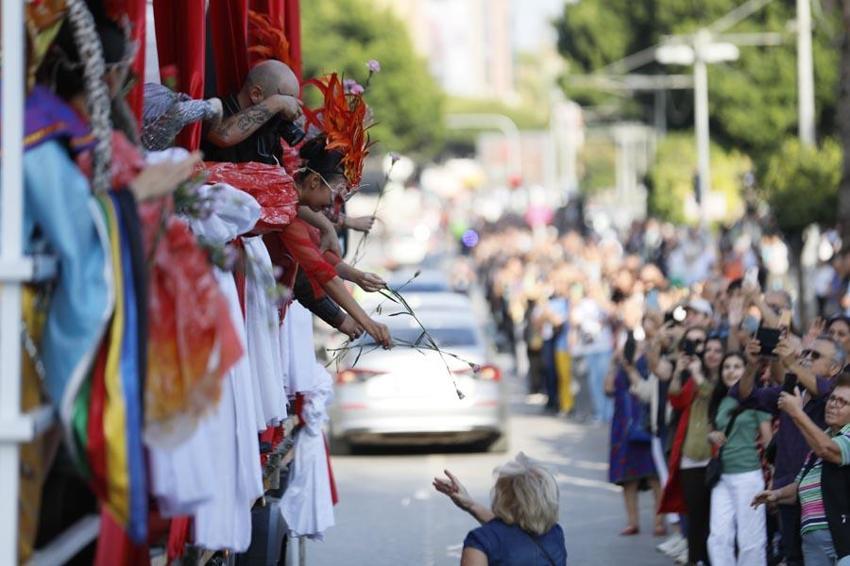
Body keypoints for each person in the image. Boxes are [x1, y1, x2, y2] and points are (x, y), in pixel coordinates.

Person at [734, 335, 846, 565]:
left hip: (825, 502)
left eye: (815, 355)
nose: (806, 358)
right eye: (805, 353)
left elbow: (823, 391)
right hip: (788, 487)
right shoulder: (791, 390)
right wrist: (753, 363)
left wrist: (790, 363)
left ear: (834, 367)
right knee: (793, 558)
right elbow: (746, 397)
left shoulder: (836, 395)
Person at [752, 372, 850, 565]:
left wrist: (797, 412)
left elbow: (828, 450)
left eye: (843, 402)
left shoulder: (834, 441)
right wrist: (777, 494)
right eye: (832, 398)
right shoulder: (821, 439)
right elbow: (800, 486)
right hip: (813, 541)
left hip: (843, 539)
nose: (833, 404)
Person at [432, 454, 567, 566]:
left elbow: (502, 534)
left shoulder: (479, 543)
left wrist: (471, 506)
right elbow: (513, 532)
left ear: (501, 494)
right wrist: (471, 505)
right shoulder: (555, 534)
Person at [707, 352, 773, 566]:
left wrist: (772, 473)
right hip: (722, 476)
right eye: (727, 366)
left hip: (748, 475)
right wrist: (712, 435)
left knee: (750, 539)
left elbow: (768, 440)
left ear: (746, 371)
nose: (731, 370)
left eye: (737, 366)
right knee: (718, 536)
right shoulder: (720, 399)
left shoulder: (758, 398)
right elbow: (713, 431)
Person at [606, 341, 663, 536]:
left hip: (644, 420)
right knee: (628, 476)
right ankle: (632, 522)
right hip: (622, 423)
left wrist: (631, 366)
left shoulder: (648, 361)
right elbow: (608, 389)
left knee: (654, 474)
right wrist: (614, 363)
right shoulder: (618, 363)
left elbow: (646, 388)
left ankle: (658, 522)